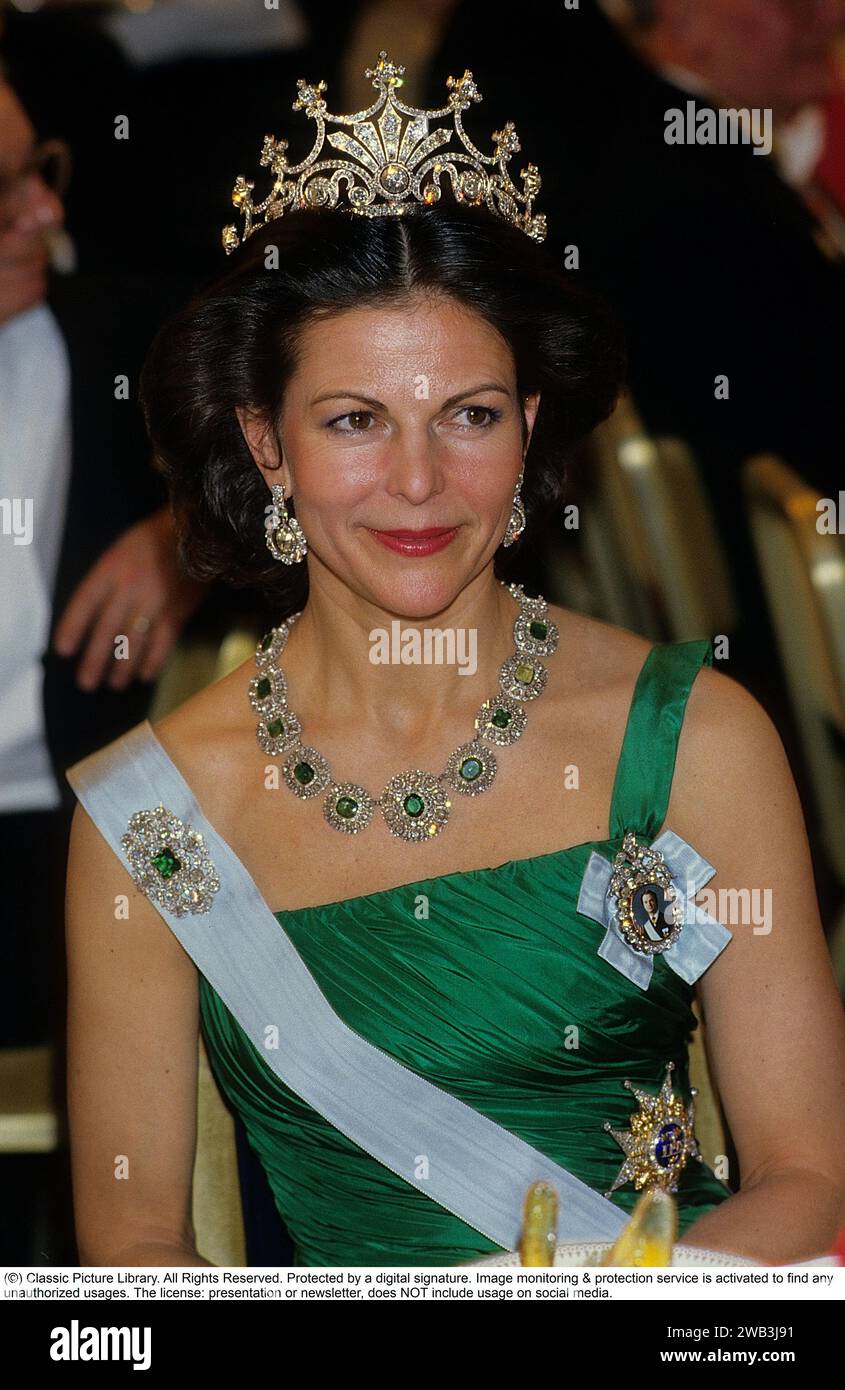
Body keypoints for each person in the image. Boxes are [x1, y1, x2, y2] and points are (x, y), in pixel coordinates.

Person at [63, 50, 845, 1269]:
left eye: (468, 415)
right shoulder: (155, 818)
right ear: (266, 443)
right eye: (354, 421)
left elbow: (805, 1179)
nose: (419, 482)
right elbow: (133, 1244)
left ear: (530, 427)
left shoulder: (695, 736)